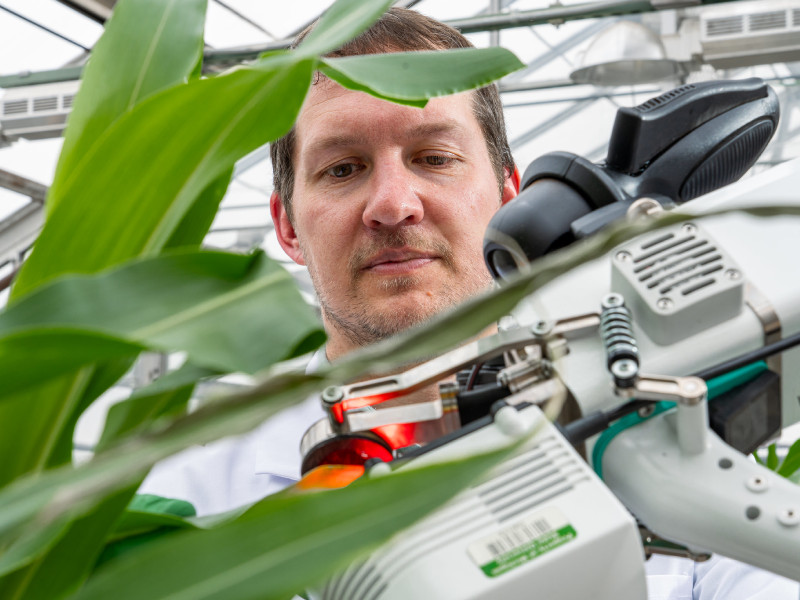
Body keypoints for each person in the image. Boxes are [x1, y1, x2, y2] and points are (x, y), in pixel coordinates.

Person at [140, 8, 798, 600]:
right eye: (342, 168)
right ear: (287, 226)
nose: (394, 205)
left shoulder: (656, 415)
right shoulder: (185, 500)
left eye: (433, 157)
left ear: (512, 195)